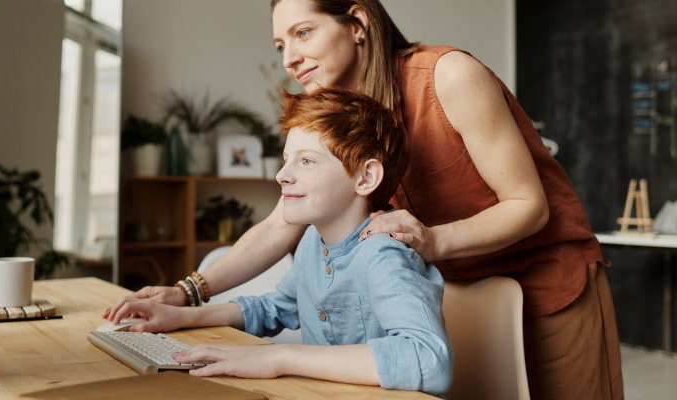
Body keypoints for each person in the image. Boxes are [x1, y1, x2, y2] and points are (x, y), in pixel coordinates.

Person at [106, 1, 623, 398]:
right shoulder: (331, 108)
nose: (290, 57)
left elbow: (528, 205)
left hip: (548, 282)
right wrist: (188, 292)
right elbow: (279, 224)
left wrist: (431, 240)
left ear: (357, 22)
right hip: (453, 288)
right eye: (280, 45)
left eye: (303, 33)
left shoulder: (449, 75)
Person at [107, 88, 453, 394]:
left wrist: (279, 357)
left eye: (306, 161)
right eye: (287, 159)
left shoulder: (384, 253)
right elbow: (278, 307)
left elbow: (428, 359)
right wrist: (181, 316)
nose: (282, 175)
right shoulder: (311, 243)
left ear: (365, 177)